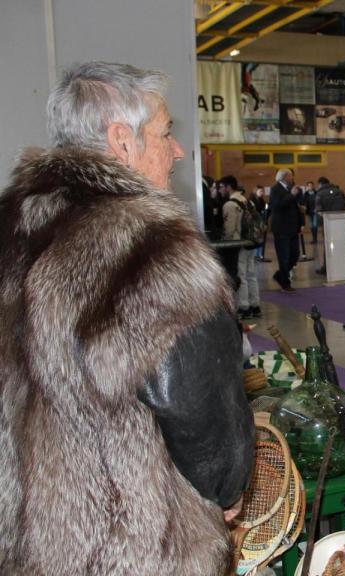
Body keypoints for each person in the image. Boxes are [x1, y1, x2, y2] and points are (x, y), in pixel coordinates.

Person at [0, 61, 253, 574]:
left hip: (26, 534)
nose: (177, 149)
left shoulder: (10, 229)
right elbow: (196, 404)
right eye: (165, 131)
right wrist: (227, 487)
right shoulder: (150, 247)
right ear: (122, 140)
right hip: (132, 542)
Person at [223, 175, 262, 319]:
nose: (221, 189)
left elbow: (229, 229)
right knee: (251, 274)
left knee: (241, 275)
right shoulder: (248, 201)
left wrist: (225, 242)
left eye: (222, 187)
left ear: (228, 187)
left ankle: (244, 307)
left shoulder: (230, 204)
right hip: (251, 242)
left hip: (238, 244)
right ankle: (255, 305)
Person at [268, 167, 301, 292]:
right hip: (281, 228)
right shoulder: (275, 189)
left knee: (295, 255)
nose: (292, 178)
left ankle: (279, 275)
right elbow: (276, 206)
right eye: (290, 176)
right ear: (284, 177)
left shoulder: (291, 188)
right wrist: (291, 195)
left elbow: (296, 207)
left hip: (293, 228)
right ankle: (285, 283)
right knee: (284, 256)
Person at [315, 176, 345, 274]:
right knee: (340, 244)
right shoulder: (339, 191)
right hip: (340, 222)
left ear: (321, 184)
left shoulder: (320, 193)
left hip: (327, 223)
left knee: (328, 245)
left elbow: (318, 210)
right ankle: (341, 266)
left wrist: (319, 224)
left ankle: (326, 268)